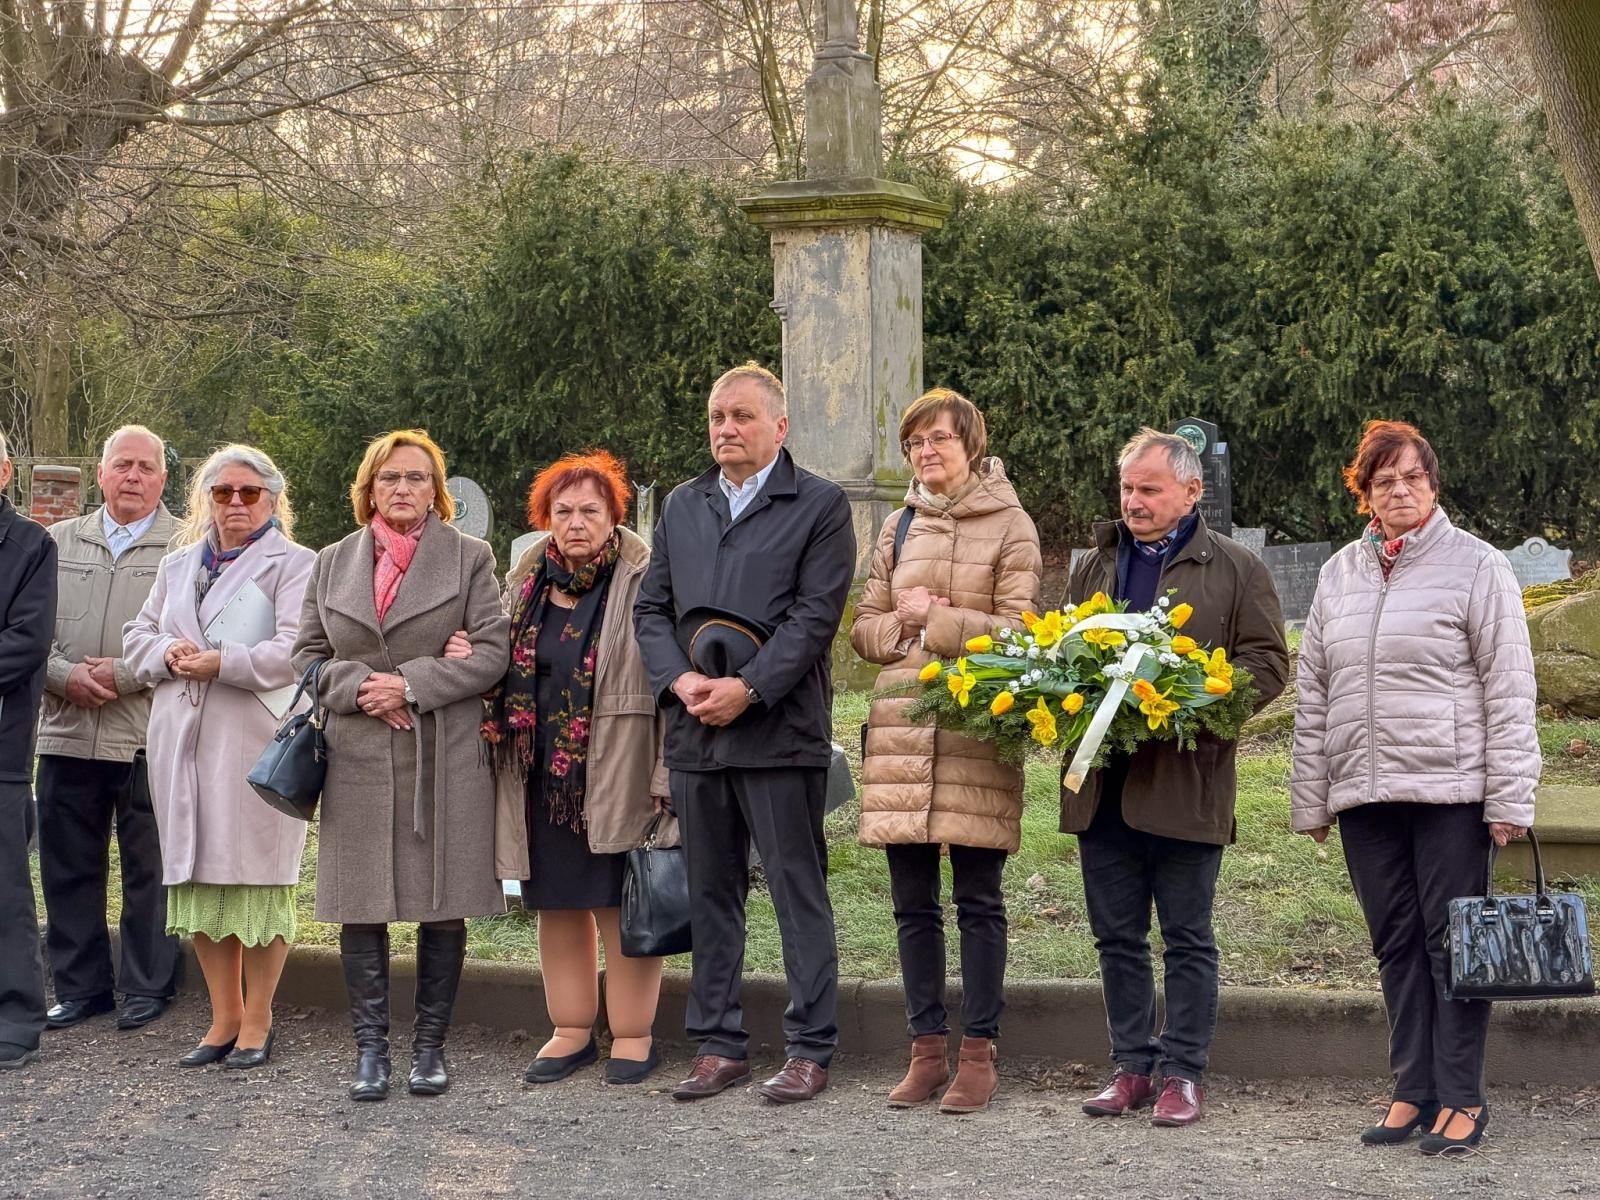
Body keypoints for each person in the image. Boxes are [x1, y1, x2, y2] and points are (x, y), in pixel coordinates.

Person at [1291, 420, 1538, 1155]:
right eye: (1383, 480)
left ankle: (1462, 1098)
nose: (1400, 490)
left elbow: (1509, 686)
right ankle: (1412, 1089)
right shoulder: (1339, 573)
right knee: (1394, 943)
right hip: (1366, 793)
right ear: (1363, 492)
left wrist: (1510, 798)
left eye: (1413, 477)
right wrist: (1313, 796)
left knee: (1451, 946)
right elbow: (1315, 693)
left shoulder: (1477, 565)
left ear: (1433, 484)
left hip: (1451, 792)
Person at [635, 361, 856, 1105]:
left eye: (741, 417)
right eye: (716, 418)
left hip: (780, 732)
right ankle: (720, 1044)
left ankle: (810, 1047)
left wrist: (751, 688)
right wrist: (678, 681)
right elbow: (652, 609)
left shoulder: (820, 505)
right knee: (711, 892)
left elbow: (816, 616)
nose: (725, 429)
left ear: (779, 427)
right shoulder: (683, 505)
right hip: (696, 732)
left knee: (798, 891)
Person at [1063, 427, 1289, 1127]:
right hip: (1102, 782)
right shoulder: (1094, 565)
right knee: (1116, 937)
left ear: (1191, 492)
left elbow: (1270, 666)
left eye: (1149, 489)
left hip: (1186, 784)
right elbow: (1062, 647)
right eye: (1127, 488)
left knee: (1187, 937)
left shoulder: (1236, 569)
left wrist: (1191, 693)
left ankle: (1182, 1073)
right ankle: (1131, 1066)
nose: (1133, 501)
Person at [293, 429, 510, 1102]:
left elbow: (492, 653)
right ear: (368, 489)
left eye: (416, 478)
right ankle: (370, 1053)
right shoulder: (331, 562)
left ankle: (429, 1050)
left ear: (436, 490)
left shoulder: (470, 558)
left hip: (442, 755)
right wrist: (359, 687)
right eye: (390, 478)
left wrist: (411, 684)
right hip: (357, 754)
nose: (403, 489)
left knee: (442, 906)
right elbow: (307, 654)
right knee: (363, 905)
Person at [852, 388, 1041, 1114]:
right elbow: (864, 631)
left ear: (970, 443)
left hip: (974, 730)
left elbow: (1024, 633)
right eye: (914, 444)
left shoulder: (1012, 524)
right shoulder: (897, 525)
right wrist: (903, 624)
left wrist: (940, 624)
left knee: (978, 901)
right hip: (902, 731)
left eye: (938, 440)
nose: (926, 453)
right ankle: (925, 1050)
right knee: (911, 905)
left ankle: (978, 1054)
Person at [123, 445, 315, 1069]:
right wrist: (169, 654)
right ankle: (223, 1016)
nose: (235, 503)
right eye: (223, 492)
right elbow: (136, 637)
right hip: (184, 743)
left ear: (273, 500)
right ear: (205, 498)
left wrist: (221, 662)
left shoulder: (296, 564)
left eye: (249, 493)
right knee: (200, 877)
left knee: (260, 879)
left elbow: (296, 648)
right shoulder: (178, 566)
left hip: (254, 742)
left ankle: (258, 1021)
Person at [486, 451, 673, 1087]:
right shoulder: (522, 584)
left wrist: (664, 778)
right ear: (545, 520)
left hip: (619, 771)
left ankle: (633, 1034)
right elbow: (492, 663)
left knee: (621, 905)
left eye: (590, 510)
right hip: (539, 776)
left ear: (614, 516)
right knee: (558, 903)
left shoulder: (646, 582)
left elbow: (671, 687)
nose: (575, 523)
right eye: (561, 511)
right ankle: (569, 1031)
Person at [36, 426, 179, 1034]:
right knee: (68, 866)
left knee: (152, 867)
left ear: (163, 480)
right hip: (66, 730)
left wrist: (123, 675)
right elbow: (22, 629)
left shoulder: (189, 546)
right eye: (122, 465)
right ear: (100, 473)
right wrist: (63, 675)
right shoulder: (55, 543)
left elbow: (192, 639)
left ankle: (149, 986)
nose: (133, 477)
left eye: (146, 468)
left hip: (149, 734)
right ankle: (81, 987)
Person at [0, 432, 57, 1069]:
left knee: (5, 890)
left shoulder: (30, 547)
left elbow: (26, 643)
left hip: (2, 749)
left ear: (7, 472)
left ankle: (15, 1016)